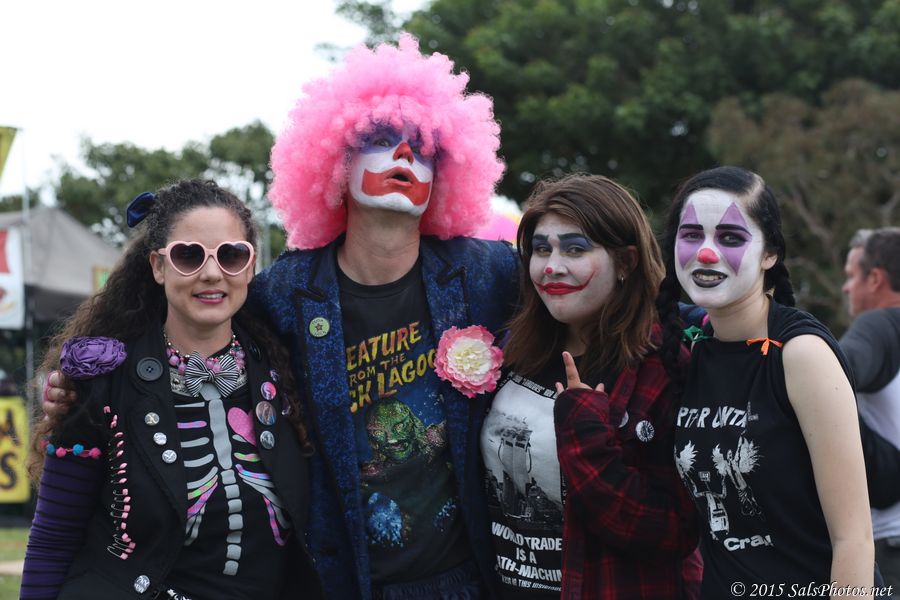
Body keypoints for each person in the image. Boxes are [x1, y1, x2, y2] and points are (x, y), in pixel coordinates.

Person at [43, 35, 515, 599]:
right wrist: (84, 379)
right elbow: (191, 320)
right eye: (379, 140)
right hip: (340, 581)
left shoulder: (488, 274)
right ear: (335, 162)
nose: (404, 156)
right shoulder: (283, 293)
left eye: (424, 146)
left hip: (464, 580)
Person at [22, 180, 322, 599]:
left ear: (250, 267)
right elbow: (54, 537)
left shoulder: (290, 372)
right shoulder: (102, 381)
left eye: (231, 255)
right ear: (158, 266)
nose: (212, 273)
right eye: (189, 255)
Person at [658, 166, 874, 597]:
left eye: (730, 238)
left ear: (770, 253)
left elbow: (853, 539)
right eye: (692, 235)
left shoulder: (800, 354)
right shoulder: (690, 351)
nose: (706, 253)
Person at [481, 174, 700, 599]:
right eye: (541, 249)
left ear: (626, 263)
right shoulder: (513, 350)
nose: (552, 266)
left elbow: (675, 531)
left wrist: (585, 436)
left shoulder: (665, 367)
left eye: (575, 249)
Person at [841, 227, 900, 591]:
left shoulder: (879, 326)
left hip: (891, 544)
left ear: (875, 279)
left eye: (851, 276)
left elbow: (832, 376)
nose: (846, 288)